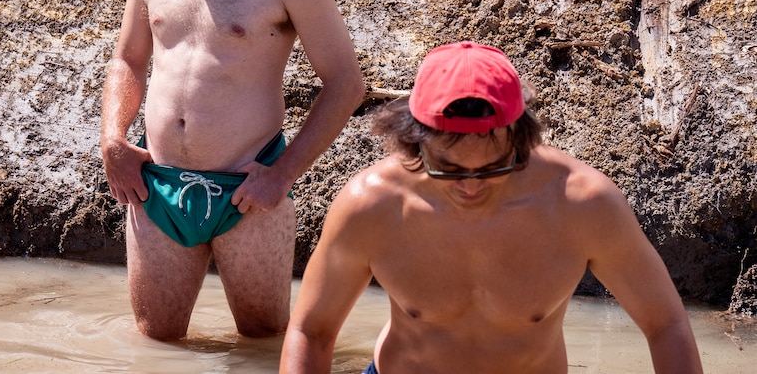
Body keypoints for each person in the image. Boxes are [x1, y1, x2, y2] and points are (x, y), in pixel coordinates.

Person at [100, 0, 365, 341]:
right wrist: (112, 139)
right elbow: (129, 57)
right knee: (157, 344)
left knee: (265, 341)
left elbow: (345, 82)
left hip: (249, 192)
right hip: (157, 189)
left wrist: (283, 173)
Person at [280, 41, 703, 373]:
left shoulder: (582, 204)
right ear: (413, 142)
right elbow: (311, 331)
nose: (470, 187)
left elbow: (665, 326)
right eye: (447, 167)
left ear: (523, 139)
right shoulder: (372, 205)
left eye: (494, 167)